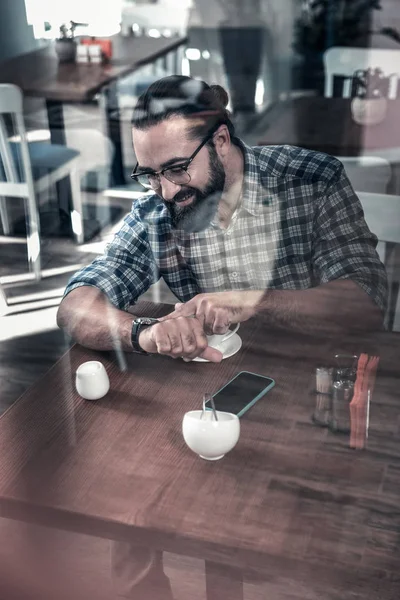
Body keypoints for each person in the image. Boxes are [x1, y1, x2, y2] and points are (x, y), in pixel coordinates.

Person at [57, 75, 387, 598]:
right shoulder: (158, 213)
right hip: (214, 389)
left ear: (221, 140)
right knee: (127, 506)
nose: (165, 190)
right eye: (150, 175)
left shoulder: (311, 178)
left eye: (175, 169)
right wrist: (145, 331)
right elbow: (76, 305)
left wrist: (252, 301)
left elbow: (367, 301)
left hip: (313, 396)